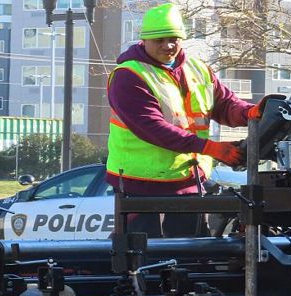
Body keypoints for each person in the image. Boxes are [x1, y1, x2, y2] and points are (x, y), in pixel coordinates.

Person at [106, 3, 278, 237]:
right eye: (159, 40)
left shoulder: (197, 69)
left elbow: (224, 104)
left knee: (191, 253)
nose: (168, 45)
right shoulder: (129, 75)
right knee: (142, 253)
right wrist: (211, 148)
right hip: (140, 183)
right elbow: (152, 127)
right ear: (144, 40)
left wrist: (252, 112)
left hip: (188, 179)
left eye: (174, 38)